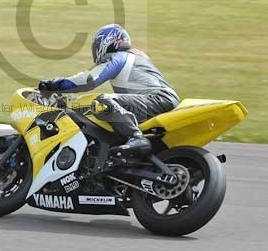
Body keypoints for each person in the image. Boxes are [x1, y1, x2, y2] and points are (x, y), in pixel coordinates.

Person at [39, 24, 179, 156]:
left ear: (109, 41)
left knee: (103, 102)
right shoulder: (135, 56)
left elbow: (89, 80)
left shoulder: (121, 57)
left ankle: (136, 137)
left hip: (158, 98)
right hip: (157, 99)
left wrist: (54, 84)